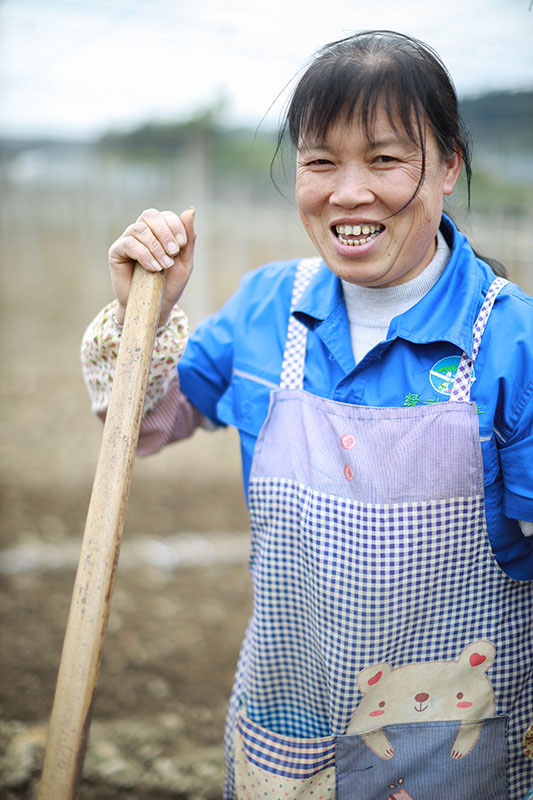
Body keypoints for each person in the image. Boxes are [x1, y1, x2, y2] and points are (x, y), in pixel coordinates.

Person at [82, 30, 533, 800]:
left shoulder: (510, 343)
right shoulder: (266, 307)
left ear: (449, 166)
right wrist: (140, 317)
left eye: (384, 159)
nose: (347, 193)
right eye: (319, 162)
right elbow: (145, 425)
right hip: (288, 734)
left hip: (452, 754)